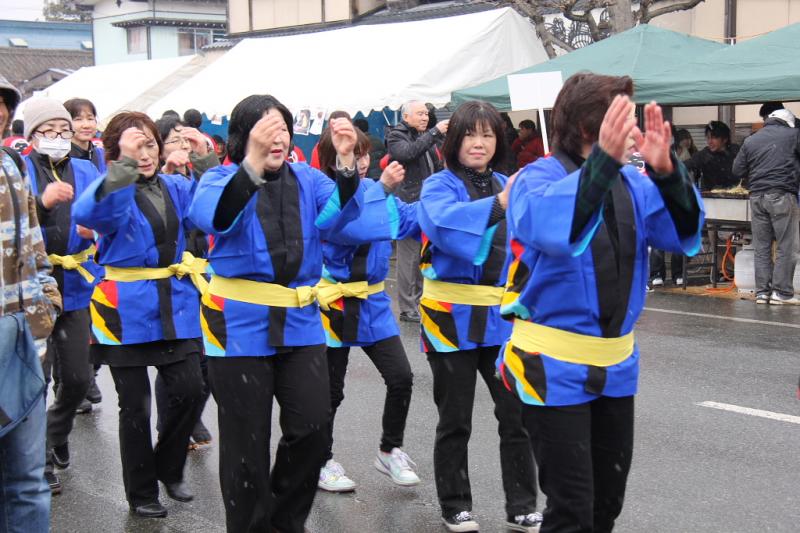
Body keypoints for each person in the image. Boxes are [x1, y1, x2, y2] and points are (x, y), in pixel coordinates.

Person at [498, 73, 703, 533]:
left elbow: (681, 229)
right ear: (592, 124)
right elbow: (551, 228)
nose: (632, 129)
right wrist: (603, 164)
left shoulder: (634, 182)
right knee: (572, 510)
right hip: (549, 366)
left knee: (606, 506)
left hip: (615, 368)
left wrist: (667, 172)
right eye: (622, 118)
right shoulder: (536, 178)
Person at [188, 94, 385, 533]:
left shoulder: (309, 179)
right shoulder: (219, 178)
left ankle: (283, 523)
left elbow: (340, 216)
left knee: (313, 428)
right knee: (246, 445)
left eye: (283, 129)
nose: (277, 138)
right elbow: (216, 219)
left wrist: (348, 163)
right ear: (242, 137)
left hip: (300, 324)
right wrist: (253, 164)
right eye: (266, 130)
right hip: (237, 325)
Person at [72, 111, 206, 519]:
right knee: (135, 407)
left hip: (174, 298)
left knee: (191, 389)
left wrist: (205, 162)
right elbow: (91, 215)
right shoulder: (111, 187)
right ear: (115, 152)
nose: (145, 154)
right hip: (123, 306)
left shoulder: (175, 186)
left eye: (150, 144)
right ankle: (141, 492)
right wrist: (124, 167)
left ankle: (168, 465)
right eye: (134, 147)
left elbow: (213, 211)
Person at [418, 101, 541, 533]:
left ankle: (523, 504)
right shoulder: (438, 186)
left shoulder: (509, 182)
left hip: (502, 319)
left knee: (517, 414)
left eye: (488, 135)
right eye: (471, 134)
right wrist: (500, 205)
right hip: (450, 317)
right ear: (455, 140)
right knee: (455, 419)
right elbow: (445, 228)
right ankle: (455, 503)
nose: (479, 143)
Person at [315, 126, 420, 493]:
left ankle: (390, 450)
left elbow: (414, 219)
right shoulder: (328, 195)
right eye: (350, 154)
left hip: (373, 300)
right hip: (336, 301)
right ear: (332, 160)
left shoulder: (382, 193)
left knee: (401, 377)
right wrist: (383, 189)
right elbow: (350, 226)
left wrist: (482, 208)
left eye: (362, 154)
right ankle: (321, 460)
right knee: (330, 391)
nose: (360, 162)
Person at [22, 98, 103, 495]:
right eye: (48, 131)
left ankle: (56, 432)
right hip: (33, 286)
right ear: (32, 136)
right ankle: (38, 460)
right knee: (36, 378)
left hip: (75, 284)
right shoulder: (18, 168)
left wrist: (97, 229)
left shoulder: (88, 167)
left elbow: (104, 210)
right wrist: (41, 202)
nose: (58, 138)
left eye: (64, 131)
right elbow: (12, 220)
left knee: (76, 378)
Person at [0, 76, 61, 533]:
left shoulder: (10, 165)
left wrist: (45, 306)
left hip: (23, 339)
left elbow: (35, 245)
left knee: (28, 481)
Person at [153, 115, 220, 447]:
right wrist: (165, 171)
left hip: (204, 276)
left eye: (185, 140)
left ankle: (189, 417)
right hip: (170, 279)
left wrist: (204, 160)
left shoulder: (199, 178)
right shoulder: (155, 180)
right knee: (176, 359)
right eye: (173, 141)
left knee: (207, 361)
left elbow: (220, 205)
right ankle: (170, 426)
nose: (181, 147)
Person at [386, 100, 448, 322]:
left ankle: (420, 301)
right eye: (420, 114)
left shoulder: (428, 138)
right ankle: (407, 306)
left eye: (426, 114)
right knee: (409, 257)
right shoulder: (396, 136)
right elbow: (407, 153)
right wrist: (433, 133)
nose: (425, 117)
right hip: (408, 204)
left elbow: (437, 166)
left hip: (429, 204)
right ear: (406, 117)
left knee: (424, 255)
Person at [733, 108, 800, 305]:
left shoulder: (751, 140)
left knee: (761, 247)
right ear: (788, 122)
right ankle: (782, 293)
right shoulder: (794, 135)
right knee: (787, 246)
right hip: (781, 195)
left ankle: (762, 292)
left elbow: (737, 169)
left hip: (756, 197)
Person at [684, 120, 739, 191]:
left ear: (725, 139)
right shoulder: (704, 154)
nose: (709, 142)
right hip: (712, 198)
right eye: (708, 138)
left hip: (737, 197)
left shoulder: (736, 151)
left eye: (713, 138)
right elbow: (686, 165)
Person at [65, 98, 106, 174]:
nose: (86, 125)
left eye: (90, 119)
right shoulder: (62, 159)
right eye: (78, 119)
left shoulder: (102, 155)